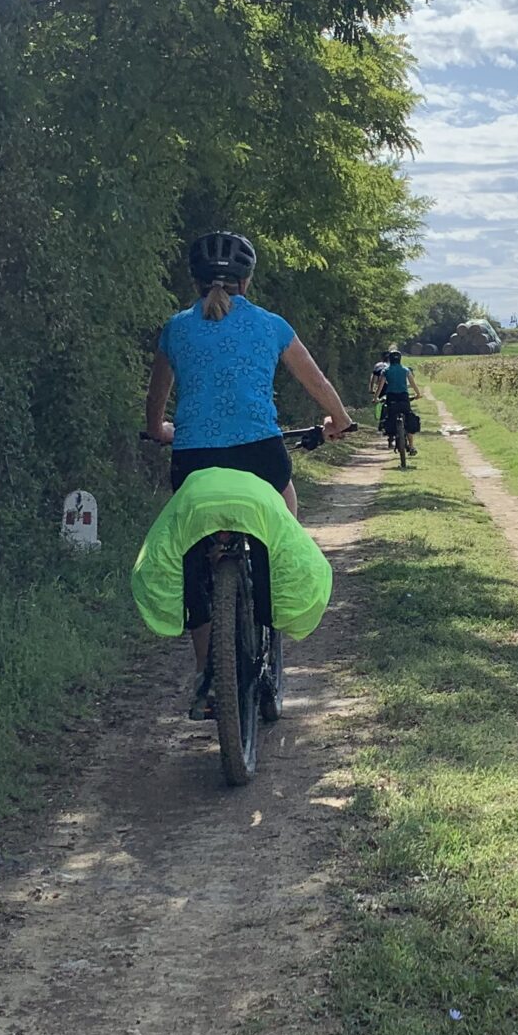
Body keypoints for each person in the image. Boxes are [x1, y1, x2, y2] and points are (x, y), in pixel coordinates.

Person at [142, 230, 355, 713]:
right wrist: (338, 421)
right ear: (248, 280)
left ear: (194, 280)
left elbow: (156, 403)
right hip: (262, 454)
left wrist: (159, 430)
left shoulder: (176, 328)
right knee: (283, 530)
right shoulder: (271, 325)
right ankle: (270, 621)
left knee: (197, 555)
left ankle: (208, 676)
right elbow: (317, 381)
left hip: (194, 459)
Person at [378, 347, 417, 464]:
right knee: (409, 418)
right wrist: (418, 394)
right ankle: (411, 445)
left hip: (391, 397)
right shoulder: (405, 370)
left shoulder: (386, 371)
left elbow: (380, 386)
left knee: (390, 415)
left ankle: (391, 434)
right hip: (404, 397)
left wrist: (375, 398)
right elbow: (412, 383)